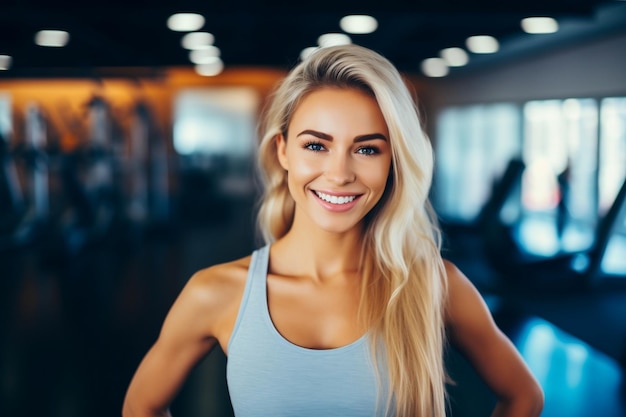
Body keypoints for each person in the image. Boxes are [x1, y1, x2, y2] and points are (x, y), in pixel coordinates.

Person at [122, 44, 544, 417]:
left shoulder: (433, 285)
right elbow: (141, 405)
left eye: (366, 149)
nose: (339, 174)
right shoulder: (215, 292)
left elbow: (524, 396)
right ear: (282, 150)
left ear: (393, 161)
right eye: (316, 145)